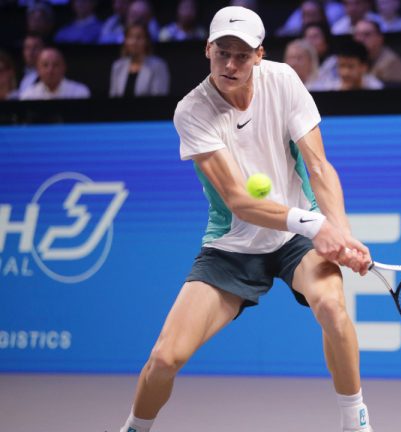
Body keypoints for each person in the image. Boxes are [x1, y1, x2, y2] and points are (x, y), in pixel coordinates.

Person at [117, 6, 374, 432]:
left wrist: (341, 234)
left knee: (332, 308)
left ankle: (356, 422)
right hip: (232, 246)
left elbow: (320, 168)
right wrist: (316, 226)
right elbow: (238, 200)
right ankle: (134, 428)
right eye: (222, 53)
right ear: (207, 50)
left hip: (295, 239)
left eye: (242, 54)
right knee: (164, 358)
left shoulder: (284, 80)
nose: (231, 65)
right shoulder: (191, 111)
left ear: (259, 54)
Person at [110, 24, 170, 97]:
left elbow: (159, 99)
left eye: (139, 37)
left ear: (147, 41)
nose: (134, 42)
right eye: (130, 37)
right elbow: (113, 97)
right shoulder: (118, 66)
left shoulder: (158, 66)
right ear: (125, 41)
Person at [353, 18, 401, 85]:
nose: (361, 39)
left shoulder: (391, 62)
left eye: (367, 34)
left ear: (380, 38)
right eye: (358, 35)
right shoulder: (353, 59)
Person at [20, 47, 91, 100]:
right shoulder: (28, 96)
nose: (50, 70)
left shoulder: (80, 93)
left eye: (55, 65)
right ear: (38, 69)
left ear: (64, 67)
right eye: (45, 65)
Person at [278, 0, 344, 37]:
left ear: (322, 16)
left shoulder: (336, 8)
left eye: (314, 15)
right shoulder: (300, 11)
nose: (311, 19)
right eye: (307, 15)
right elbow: (283, 31)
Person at [303, 21, 338, 88]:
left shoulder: (335, 62)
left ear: (326, 39)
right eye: (308, 37)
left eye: (315, 37)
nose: (311, 42)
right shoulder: (301, 65)